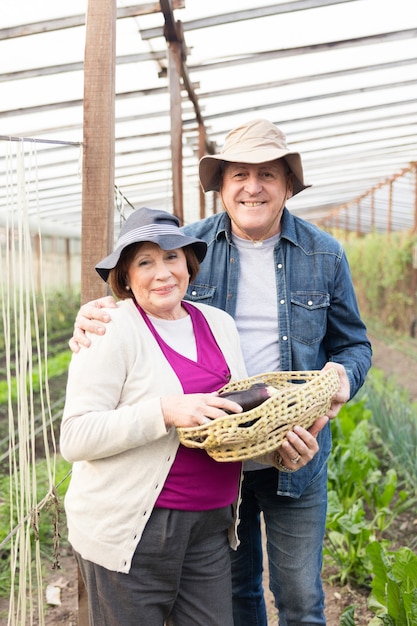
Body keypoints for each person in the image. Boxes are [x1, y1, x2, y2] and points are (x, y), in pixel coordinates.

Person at [69, 120, 372, 625]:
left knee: (299, 596)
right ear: (221, 186)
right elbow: (144, 290)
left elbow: (354, 343)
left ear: (288, 185)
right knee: (237, 593)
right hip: (215, 461)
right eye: (239, 175)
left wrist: (341, 379)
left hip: (291, 446)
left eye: (268, 175)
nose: (252, 186)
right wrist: (93, 313)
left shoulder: (324, 253)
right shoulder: (189, 246)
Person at [61, 206, 321, 626]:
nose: (162, 272)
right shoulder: (111, 328)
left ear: (188, 264)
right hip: (135, 531)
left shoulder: (218, 324)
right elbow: (75, 436)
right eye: (145, 261)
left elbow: (229, 428)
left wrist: (280, 452)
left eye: (172, 257)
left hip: (211, 528)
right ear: (125, 276)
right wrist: (165, 410)